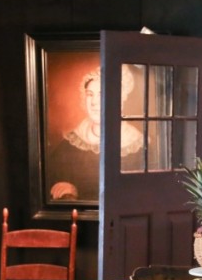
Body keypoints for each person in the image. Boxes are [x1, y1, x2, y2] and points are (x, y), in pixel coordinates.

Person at [45, 65, 144, 202]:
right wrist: (64, 188)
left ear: (119, 98)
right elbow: (49, 177)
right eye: (89, 94)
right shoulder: (72, 141)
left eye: (101, 95)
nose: (94, 102)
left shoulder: (136, 144)